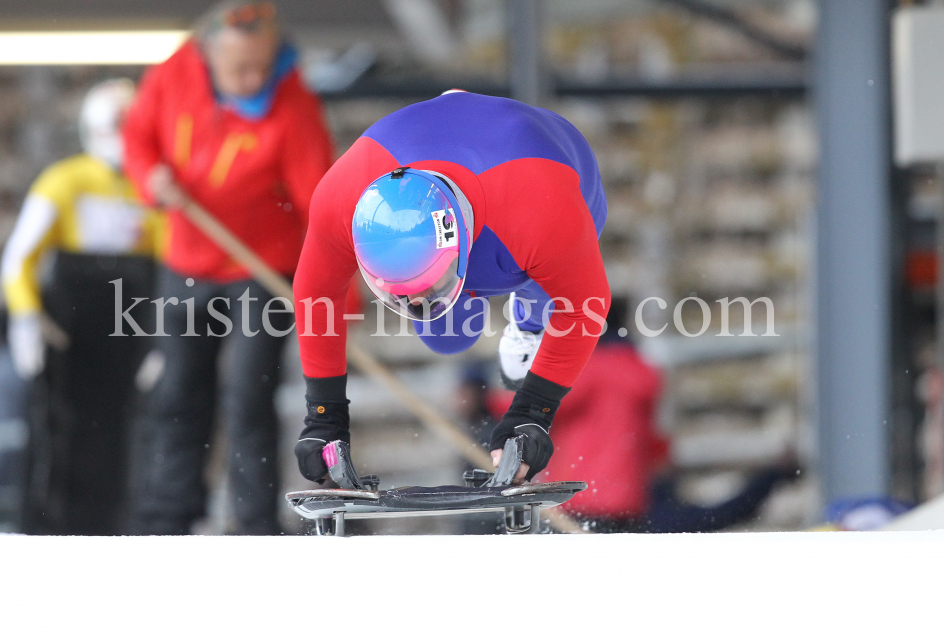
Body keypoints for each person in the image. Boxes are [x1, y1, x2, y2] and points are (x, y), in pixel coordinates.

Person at [292, 90, 611, 487]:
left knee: (541, 292)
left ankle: (527, 327)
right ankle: (444, 292)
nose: (418, 300)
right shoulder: (338, 200)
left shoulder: (541, 211)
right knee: (447, 337)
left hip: (553, 168)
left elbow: (586, 305)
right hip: (458, 178)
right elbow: (316, 298)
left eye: (429, 286)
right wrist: (323, 416)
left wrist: (534, 411)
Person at [123, 1, 334, 534]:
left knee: (248, 397)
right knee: (177, 391)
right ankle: (169, 516)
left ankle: (255, 522)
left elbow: (321, 205)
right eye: (241, 67)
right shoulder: (172, 75)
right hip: (186, 262)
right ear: (209, 54)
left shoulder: (294, 107)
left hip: (262, 272)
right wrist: (151, 177)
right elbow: (138, 138)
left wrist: (332, 297)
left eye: (263, 65)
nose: (254, 78)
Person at [0, 79, 162, 535]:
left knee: (122, 436)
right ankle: (45, 527)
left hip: (128, 332)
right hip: (68, 335)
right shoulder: (64, 180)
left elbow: (171, 267)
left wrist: (164, 340)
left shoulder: (150, 189)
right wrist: (27, 317)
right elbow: (19, 256)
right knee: (56, 434)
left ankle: (114, 526)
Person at [541, 301, 799, 533]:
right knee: (707, 518)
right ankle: (771, 478)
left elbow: (523, 409)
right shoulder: (636, 370)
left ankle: (770, 478)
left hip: (581, 503)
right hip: (629, 503)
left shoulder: (589, 371)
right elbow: (639, 438)